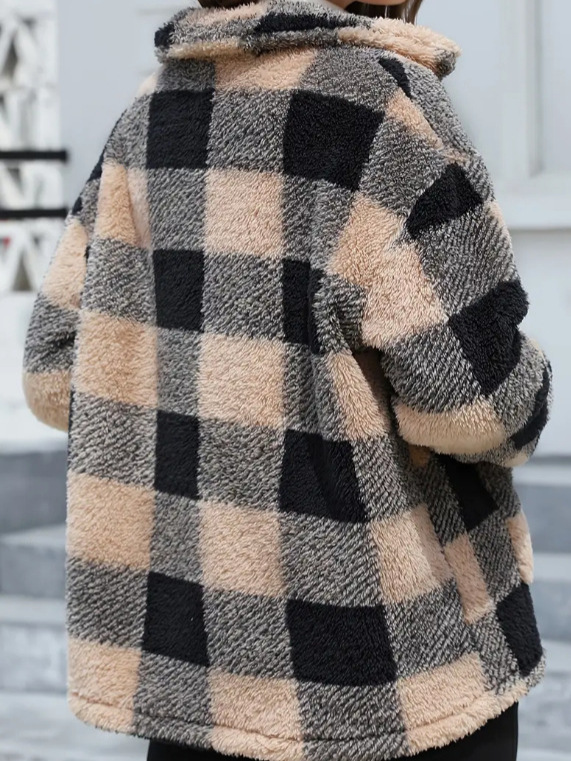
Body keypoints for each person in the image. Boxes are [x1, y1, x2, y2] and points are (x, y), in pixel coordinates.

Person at [23, 0, 552, 760]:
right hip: (388, 674)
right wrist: (531, 384)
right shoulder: (382, 104)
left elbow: (56, 370)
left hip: (195, 674)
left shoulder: (149, 118)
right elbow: (476, 402)